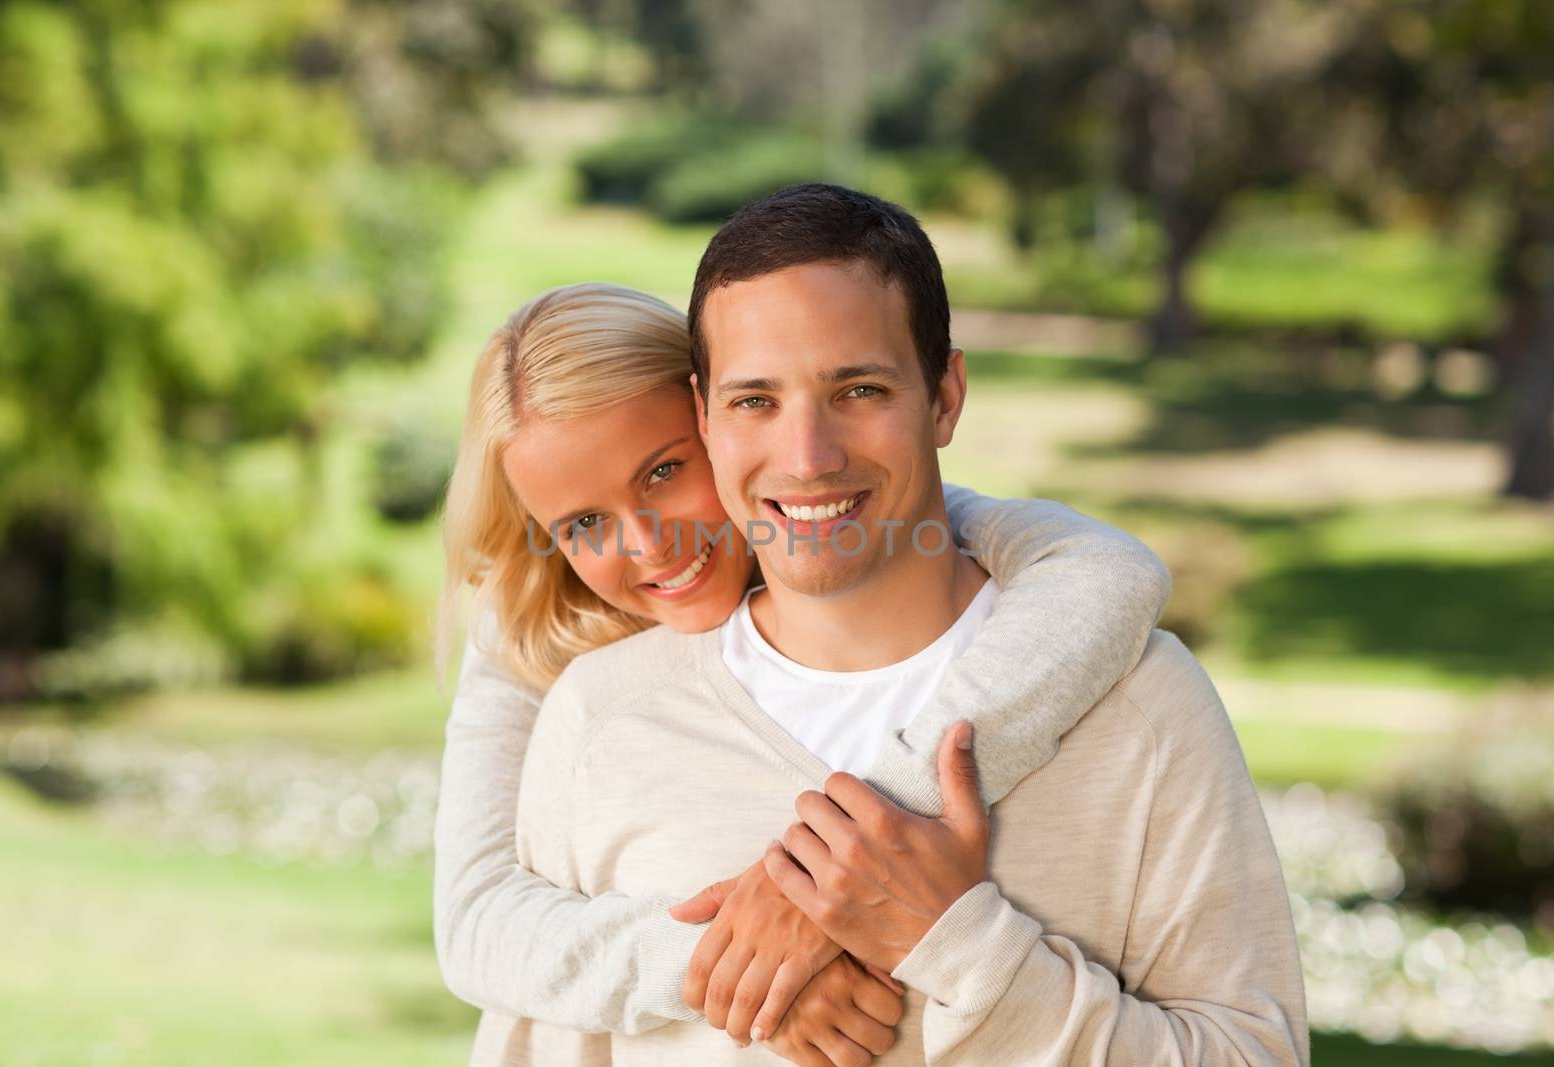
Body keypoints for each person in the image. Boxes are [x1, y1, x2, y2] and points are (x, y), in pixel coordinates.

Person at [503, 185, 1309, 1065]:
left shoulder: (1144, 709)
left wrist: (963, 945)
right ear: (704, 415)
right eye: (755, 401)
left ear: (946, 395)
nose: (808, 458)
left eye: (857, 389)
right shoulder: (601, 721)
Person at [433, 281, 1174, 1065]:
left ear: (721, 419)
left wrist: (842, 866)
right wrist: (740, 970)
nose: (648, 543)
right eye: (584, 523)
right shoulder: (531, 632)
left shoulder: (856, 519)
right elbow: (479, 923)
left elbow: (1110, 571)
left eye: (662, 472)